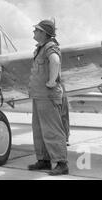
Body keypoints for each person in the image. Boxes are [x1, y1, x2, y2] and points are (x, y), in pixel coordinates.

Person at [27, 19, 69, 175]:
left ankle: (62, 163)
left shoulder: (50, 47)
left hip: (48, 96)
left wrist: (52, 81)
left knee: (52, 129)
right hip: (40, 96)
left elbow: (55, 61)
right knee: (39, 130)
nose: (34, 32)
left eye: (36, 30)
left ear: (44, 33)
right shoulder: (42, 48)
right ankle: (44, 160)